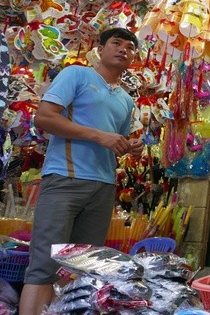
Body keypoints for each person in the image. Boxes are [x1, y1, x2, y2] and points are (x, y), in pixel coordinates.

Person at [20, 28, 143, 315]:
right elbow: (44, 118)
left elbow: (114, 141)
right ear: (100, 48)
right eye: (116, 43)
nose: (123, 49)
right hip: (65, 178)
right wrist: (100, 136)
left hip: (102, 187)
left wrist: (128, 146)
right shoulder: (76, 75)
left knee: (84, 269)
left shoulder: (126, 100)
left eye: (130, 47)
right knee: (45, 264)